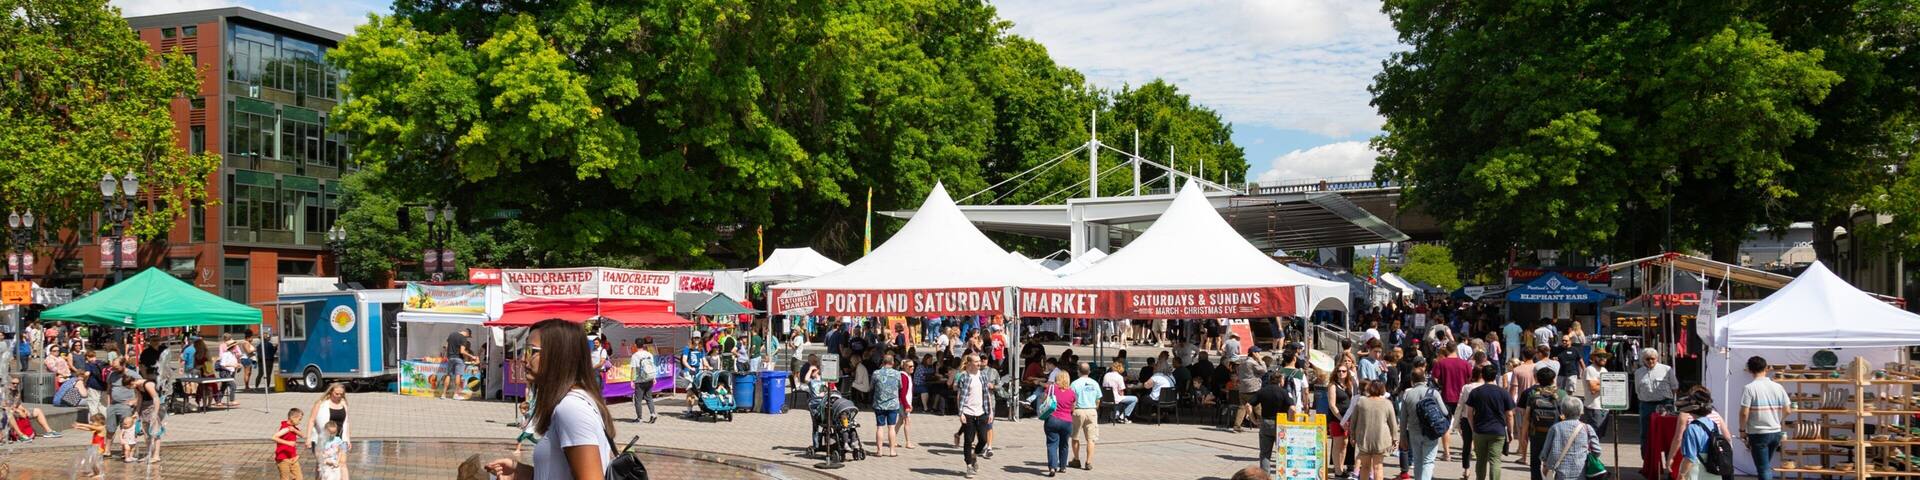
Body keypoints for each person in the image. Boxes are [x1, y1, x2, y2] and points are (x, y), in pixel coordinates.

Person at [485, 319, 617, 480]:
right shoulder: (571, 402)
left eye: (531, 351)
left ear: (558, 355)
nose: (523, 359)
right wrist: (520, 473)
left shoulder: (571, 409)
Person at [1740, 356, 1790, 480]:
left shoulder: (1749, 388)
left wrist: (1742, 430)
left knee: (1763, 468)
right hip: (1775, 432)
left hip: (1758, 433)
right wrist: (1777, 420)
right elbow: (1788, 410)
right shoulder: (1778, 387)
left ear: (1750, 370)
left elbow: (1744, 413)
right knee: (1765, 466)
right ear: (1766, 368)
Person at [1459, 365, 1513, 480]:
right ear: (1495, 376)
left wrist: (1473, 429)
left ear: (1482, 376)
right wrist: (1510, 431)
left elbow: (1469, 414)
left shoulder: (1475, 392)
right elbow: (1509, 414)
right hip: (1498, 431)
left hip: (1480, 430)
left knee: (1481, 460)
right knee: (1495, 460)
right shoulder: (1503, 393)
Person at [1396, 362, 1444, 480]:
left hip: (1414, 431)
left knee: (1417, 460)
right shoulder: (1434, 393)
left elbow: (1403, 418)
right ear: (1425, 379)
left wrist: (1402, 437)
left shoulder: (1408, 394)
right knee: (1428, 461)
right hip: (1431, 431)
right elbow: (1445, 412)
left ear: (1412, 380)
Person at [1346, 380, 1397, 480]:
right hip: (1381, 440)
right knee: (1378, 467)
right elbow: (1393, 424)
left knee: (1365, 467)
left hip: (1364, 439)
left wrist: (1352, 435)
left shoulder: (1361, 401)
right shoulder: (1387, 403)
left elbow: (1353, 420)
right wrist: (1395, 438)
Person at [1518, 368, 1563, 480]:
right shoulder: (1561, 394)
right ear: (1553, 380)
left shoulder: (1533, 394)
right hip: (1556, 434)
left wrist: (1523, 435)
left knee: (1535, 463)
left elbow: (1527, 417)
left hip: (1536, 433)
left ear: (1537, 379)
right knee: (1555, 462)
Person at [1540, 395, 1600, 480]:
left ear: (1563, 411)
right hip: (1581, 473)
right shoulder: (1587, 428)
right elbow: (1597, 451)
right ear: (1580, 411)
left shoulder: (1555, 428)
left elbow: (1544, 454)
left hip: (1559, 473)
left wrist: (1546, 464)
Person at [1430, 343, 1471, 466]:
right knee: (1464, 425)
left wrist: (1441, 385)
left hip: (1446, 397)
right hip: (1462, 397)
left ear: (1447, 350)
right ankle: (1468, 451)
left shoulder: (1441, 363)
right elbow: (1470, 378)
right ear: (1457, 349)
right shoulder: (1465, 364)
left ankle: (1447, 453)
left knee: (1445, 425)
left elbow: (1435, 378)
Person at [1253, 368, 1299, 473]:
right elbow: (1292, 408)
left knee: (1265, 454)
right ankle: (1282, 474)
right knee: (1282, 452)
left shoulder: (1262, 391)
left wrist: (1254, 420)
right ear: (1281, 380)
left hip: (1265, 423)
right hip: (1281, 424)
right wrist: (1291, 421)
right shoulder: (1284, 392)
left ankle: (1265, 477)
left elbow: (1248, 405)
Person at [1677, 389, 1730, 480]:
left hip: (1697, 472)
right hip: (1713, 470)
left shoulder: (1692, 428)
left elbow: (1690, 458)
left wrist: (1681, 474)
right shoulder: (1712, 424)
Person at [954, 354, 992, 478]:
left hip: (981, 412)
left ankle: (975, 455)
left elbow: (987, 395)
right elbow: (960, 396)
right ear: (969, 363)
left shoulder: (983, 376)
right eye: (976, 362)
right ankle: (969, 465)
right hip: (968, 413)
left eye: (979, 361)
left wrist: (990, 411)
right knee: (968, 441)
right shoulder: (964, 377)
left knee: (983, 439)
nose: (979, 364)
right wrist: (961, 413)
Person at [1635, 348, 1678, 448]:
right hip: (1646, 405)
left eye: (1653, 359)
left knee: (1667, 432)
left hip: (1664, 404)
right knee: (1645, 432)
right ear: (1643, 360)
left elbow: (1674, 387)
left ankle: (1668, 457)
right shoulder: (1638, 372)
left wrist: (1668, 401)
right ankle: (1646, 457)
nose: (1650, 361)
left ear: (1657, 358)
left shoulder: (1667, 369)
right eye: (1647, 359)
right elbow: (1638, 390)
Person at [1037, 367, 1075, 477]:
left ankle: (1053, 467)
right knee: (1064, 444)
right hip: (1067, 421)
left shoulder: (1051, 388)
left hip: (1052, 419)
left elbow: (1044, 399)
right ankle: (1063, 467)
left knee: (1052, 444)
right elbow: (1073, 408)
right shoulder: (1072, 393)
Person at [308, 382, 351, 468]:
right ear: (331, 392)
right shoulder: (321, 404)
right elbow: (311, 420)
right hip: (322, 440)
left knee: (342, 464)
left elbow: (346, 422)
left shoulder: (343, 403)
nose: (339, 396)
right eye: (336, 394)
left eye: (341, 394)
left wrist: (348, 439)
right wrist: (308, 438)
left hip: (340, 440)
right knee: (322, 466)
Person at [1068, 362, 1101, 471]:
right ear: (1089, 371)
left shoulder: (1074, 384)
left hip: (1078, 410)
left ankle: (1076, 459)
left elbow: (1071, 399)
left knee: (1075, 436)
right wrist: (1094, 408)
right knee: (1091, 439)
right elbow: (1098, 399)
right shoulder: (1094, 383)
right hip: (1091, 410)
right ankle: (1088, 462)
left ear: (1078, 371)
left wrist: (1072, 411)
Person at [870, 354, 904, 457]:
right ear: (893, 362)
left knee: (880, 427)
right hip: (893, 405)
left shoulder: (876, 373)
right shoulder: (897, 374)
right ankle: (892, 451)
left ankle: (879, 451)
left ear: (882, 362)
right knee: (891, 428)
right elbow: (900, 386)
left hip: (879, 404)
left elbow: (871, 386)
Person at [628, 338, 658, 424]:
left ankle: (639, 418)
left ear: (635, 345)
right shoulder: (649, 354)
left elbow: (633, 369)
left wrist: (632, 380)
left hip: (639, 380)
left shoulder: (635, 356)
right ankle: (653, 414)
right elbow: (652, 367)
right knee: (649, 398)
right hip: (649, 379)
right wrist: (654, 378)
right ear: (644, 345)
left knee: (638, 400)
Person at [443, 328, 479, 400]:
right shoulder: (463, 338)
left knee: (448, 375)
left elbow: (446, 347)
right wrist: (472, 356)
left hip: (450, 358)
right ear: (467, 333)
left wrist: (446, 356)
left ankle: (443, 394)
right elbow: (462, 351)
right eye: (468, 336)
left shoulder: (452, 334)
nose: (467, 338)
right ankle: (455, 394)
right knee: (458, 375)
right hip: (458, 359)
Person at [1582, 350, 1612, 435]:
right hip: (1594, 407)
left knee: (1600, 434)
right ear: (1594, 357)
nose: (1603, 358)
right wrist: (1606, 383)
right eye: (1600, 356)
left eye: (1605, 356)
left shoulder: (1604, 370)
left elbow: (1609, 386)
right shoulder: (1590, 369)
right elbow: (1593, 389)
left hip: (1603, 407)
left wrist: (1599, 382)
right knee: (1593, 435)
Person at [274, 408, 308, 480]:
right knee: (285, 478)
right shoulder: (285, 428)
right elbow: (274, 437)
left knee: (299, 478)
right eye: (299, 419)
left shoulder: (293, 428)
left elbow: (303, 435)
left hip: (293, 458)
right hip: (283, 458)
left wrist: (294, 430)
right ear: (293, 418)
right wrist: (288, 443)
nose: (300, 422)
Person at [680, 336, 707, 416]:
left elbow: (704, 360)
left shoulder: (701, 349)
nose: (697, 340)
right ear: (692, 339)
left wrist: (708, 366)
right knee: (690, 392)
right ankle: (689, 411)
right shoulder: (687, 348)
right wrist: (690, 367)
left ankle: (694, 409)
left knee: (697, 392)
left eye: (698, 338)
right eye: (695, 338)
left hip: (698, 372)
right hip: (689, 373)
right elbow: (684, 360)